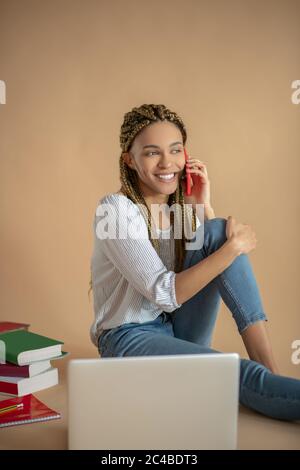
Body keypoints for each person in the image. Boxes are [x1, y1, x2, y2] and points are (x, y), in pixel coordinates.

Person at [89, 103, 300, 421]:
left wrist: (202, 206)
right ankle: (272, 386)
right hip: (128, 338)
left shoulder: (178, 211)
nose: (167, 162)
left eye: (175, 150)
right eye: (151, 152)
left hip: (173, 328)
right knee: (235, 371)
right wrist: (234, 248)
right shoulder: (114, 209)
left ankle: (273, 373)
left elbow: (212, 259)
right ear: (129, 159)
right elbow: (164, 292)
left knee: (215, 231)